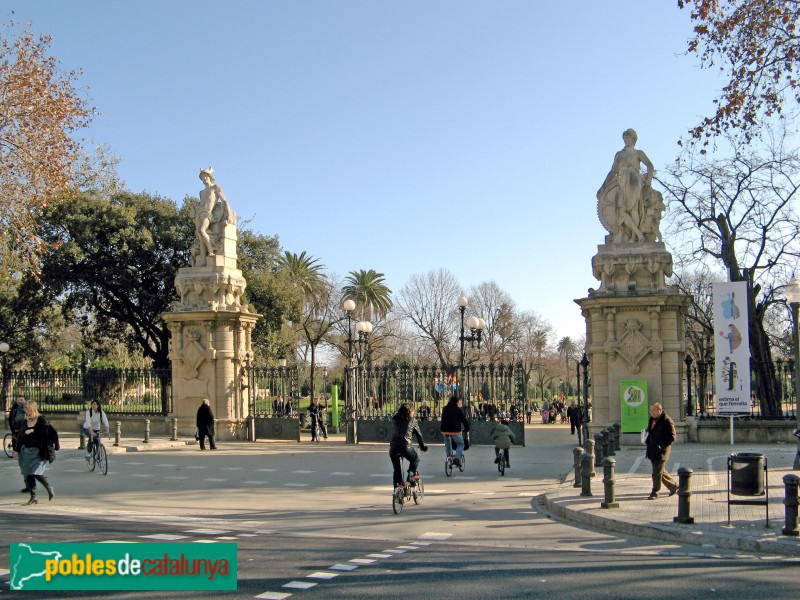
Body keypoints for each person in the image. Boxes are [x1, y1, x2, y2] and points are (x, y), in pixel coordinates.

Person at [597, 128, 655, 243]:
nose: (626, 140)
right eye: (625, 138)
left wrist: (648, 180)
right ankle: (636, 234)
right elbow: (613, 171)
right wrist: (603, 187)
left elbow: (650, 165)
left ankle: (634, 237)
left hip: (633, 181)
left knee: (633, 209)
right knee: (621, 211)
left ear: (633, 139)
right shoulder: (619, 154)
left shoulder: (638, 153)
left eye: (628, 138)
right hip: (622, 182)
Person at [12, 400, 54, 505]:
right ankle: (33, 497)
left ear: (34, 409)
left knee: (36, 473)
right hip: (26, 451)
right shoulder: (24, 422)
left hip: (39, 452)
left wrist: (33, 431)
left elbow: (46, 432)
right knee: (29, 474)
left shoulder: (41, 420)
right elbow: (20, 437)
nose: (26, 410)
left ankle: (49, 487)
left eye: (28, 408)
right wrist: (17, 451)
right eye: (25, 408)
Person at [194, 167, 233, 265]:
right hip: (199, 215)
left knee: (201, 230)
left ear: (210, 177)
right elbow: (201, 204)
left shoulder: (215, 187)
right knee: (200, 236)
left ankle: (211, 251)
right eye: (202, 177)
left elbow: (224, 201)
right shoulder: (201, 192)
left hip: (208, 213)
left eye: (206, 176)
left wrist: (229, 215)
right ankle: (203, 260)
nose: (204, 179)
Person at [389, 403, 427, 489]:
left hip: (393, 447)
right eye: (413, 411)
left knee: (397, 470)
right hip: (405, 446)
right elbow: (419, 436)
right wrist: (423, 447)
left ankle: (397, 491)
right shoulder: (412, 420)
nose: (413, 413)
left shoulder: (395, 419)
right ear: (410, 411)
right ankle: (410, 477)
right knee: (415, 460)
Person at [645, 402, 678, 499]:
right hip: (652, 450)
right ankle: (674, 486)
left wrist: (660, 446)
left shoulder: (667, 420)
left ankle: (655, 492)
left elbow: (672, 437)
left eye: (654, 410)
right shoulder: (652, 420)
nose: (652, 412)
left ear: (660, 410)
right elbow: (650, 432)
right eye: (651, 410)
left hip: (661, 452)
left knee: (656, 473)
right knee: (660, 472)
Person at [440, 395, 470, 468]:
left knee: (447, 445)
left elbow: (443, 419)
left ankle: (449, 457)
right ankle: (456, 459)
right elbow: (464, 420)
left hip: (445, 431)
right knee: (460, 444)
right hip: (455, 431)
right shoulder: (458, 410)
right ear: (456, 402)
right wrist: (467, 428)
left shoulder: (444, 408)